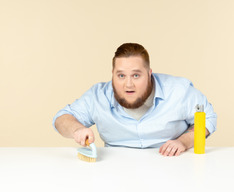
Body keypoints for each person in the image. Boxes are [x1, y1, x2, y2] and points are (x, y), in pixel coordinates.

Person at [53, 43, 217, 156]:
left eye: (136, 75)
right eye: (121, 75)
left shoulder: (179, 91)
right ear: (112, 74)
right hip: (114, 169)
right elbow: (62, 118)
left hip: (173, 166)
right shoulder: (97, 96)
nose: (128, 84)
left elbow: (208, 117)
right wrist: (77, 130)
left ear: (149, 73)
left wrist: (183, 142)